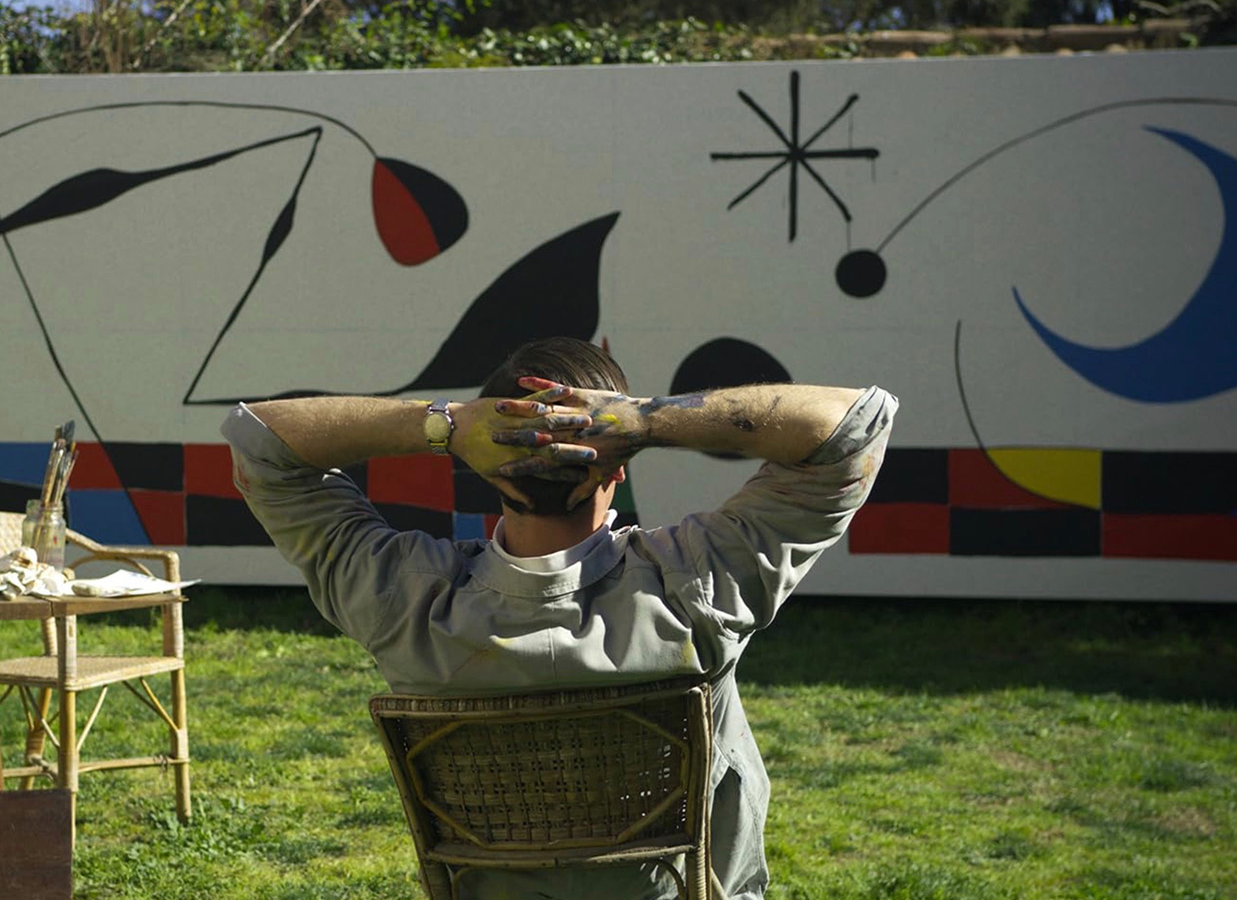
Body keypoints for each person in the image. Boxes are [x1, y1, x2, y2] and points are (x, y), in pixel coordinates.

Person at [222, 337, 897, 899]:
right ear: (617, 468)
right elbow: (854, 425)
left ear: (488, 469)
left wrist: (448, 424)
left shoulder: (402, 599)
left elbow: (258, 439)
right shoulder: (696, 584)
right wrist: (650, 420)